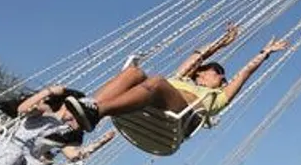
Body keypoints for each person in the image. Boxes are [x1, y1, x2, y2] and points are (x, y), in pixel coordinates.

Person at [67, 24, 287, 139]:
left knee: (158, 82)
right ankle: (86, 112)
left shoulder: (220, 96)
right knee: (134, 72)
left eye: (219, 75)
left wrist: (265, 52)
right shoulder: (182, 78)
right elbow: (196, 57)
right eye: (213, 71)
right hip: (153, 99)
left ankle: (98, 110)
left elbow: (245, 73)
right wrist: (220, 43)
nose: (218, 76)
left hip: (180, 116)